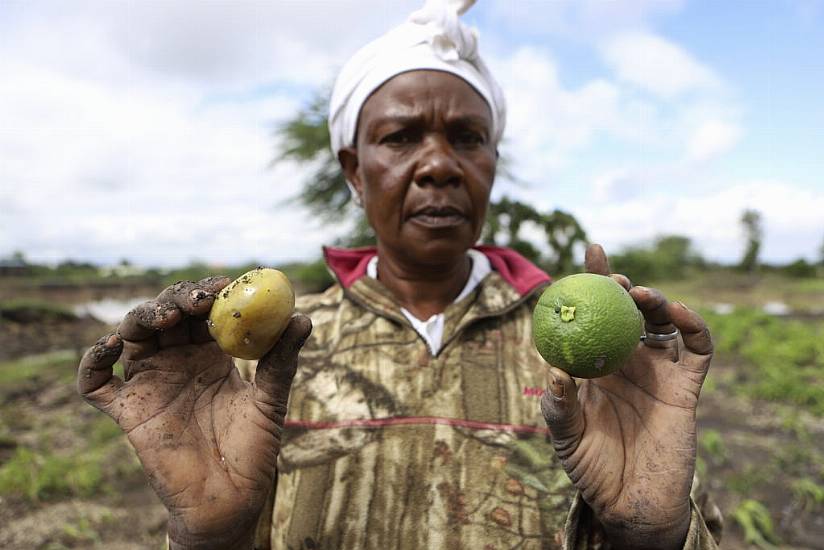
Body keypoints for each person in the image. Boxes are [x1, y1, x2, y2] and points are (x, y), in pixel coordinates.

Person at [78, 1, 723, 548]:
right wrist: (210, 538)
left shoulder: (594, 363)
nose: (439, 164)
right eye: (401, 138)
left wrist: (650, 534)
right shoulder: (267, 355)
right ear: (354, 171)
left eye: (468, 138)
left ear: (492, 165)